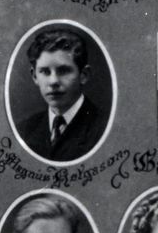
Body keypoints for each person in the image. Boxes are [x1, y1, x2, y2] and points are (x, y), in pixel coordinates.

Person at [14, 27, 108, 163]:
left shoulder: (104, 128)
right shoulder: (24, 130)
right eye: (45, 72)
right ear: (34, 76)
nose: (53, 81)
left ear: (83, 75)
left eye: (64, 71)